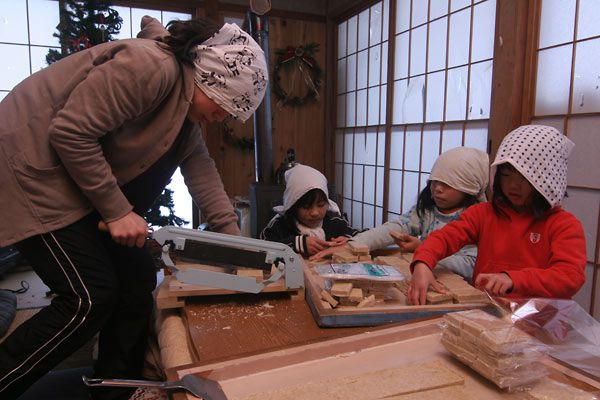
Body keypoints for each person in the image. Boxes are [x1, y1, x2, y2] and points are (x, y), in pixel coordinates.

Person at [0, 15, 267, 400]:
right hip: (30, 175)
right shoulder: (150, 67)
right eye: (226, 104)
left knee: (138, 277)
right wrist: (117, 211)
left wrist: (241, 252)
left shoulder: (186, 121)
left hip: (71, 185)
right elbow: (71, 131)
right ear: (208, 77)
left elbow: (204, 179)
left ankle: (117, 390)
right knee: (89, 296)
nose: (224, 117)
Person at [408, 125, 586, 305]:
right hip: (489, 312)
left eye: (525, 178)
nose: (513, 186)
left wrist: (513, 279)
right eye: (507, 176)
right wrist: (423, 262)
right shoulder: (484, 213)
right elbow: (445, 238)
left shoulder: (564, 224)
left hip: (542, 320)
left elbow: (570, 277)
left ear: (547, 178)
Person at [311, 147, 489, 282]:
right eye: (434, 181)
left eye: (448, 184)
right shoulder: (427, 209)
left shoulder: (476, 217)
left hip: (452, 284)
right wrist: (354, 244)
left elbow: (469, 264)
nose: (437, 189)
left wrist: (422, 249)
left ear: (469, 188)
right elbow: (395, 227)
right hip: (422, 274)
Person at [261, 164, 359, 257]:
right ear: (293, 206)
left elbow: (363, 236)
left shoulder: (335, 223)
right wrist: (297, 244)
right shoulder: (280, 225)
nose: (314, 213)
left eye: (321, 205)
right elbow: (261, 250)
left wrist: (349, 241)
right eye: (306, 207)